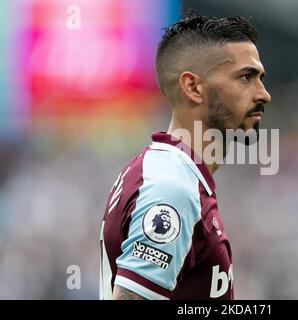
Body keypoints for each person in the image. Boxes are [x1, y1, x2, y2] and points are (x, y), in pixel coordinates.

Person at [99, 11, 271, 300]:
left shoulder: (174, 174)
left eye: (260, 78)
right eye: (246, 77)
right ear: (192, 87)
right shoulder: (171, 187)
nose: (263, 94)